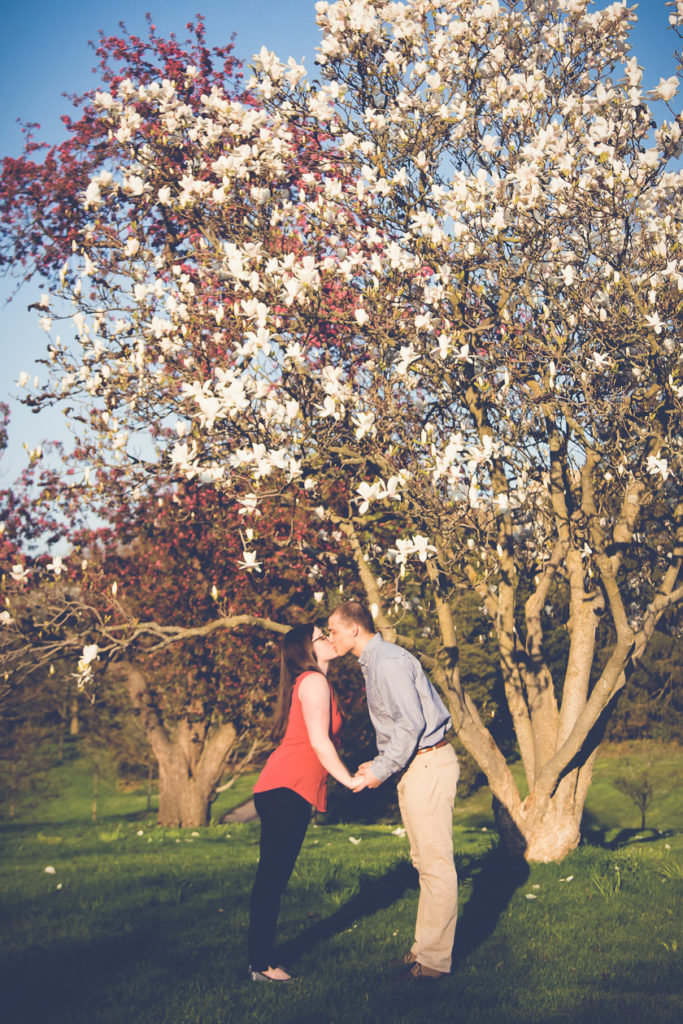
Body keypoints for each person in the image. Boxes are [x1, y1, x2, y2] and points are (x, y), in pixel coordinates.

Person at [328, 600, 460, 982]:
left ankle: (434, 963)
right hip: (416, 764)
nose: (329, 637)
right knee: (425, 863)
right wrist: (382, 761)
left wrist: (381, 769)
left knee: (436, 866)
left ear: (354, 629)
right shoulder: (376, 661)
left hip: (427, 763)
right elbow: (401, 726)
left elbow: (411, 723)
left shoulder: (385, 662)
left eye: (333, 630)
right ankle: (424, 952)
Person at [247, 622, 364, 982]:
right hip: (285, 788)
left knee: (272, 877)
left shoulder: (315, 682)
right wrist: (348, 780)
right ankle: (262, 965)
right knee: (272, 878)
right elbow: (318, 740)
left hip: (285, 789)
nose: (328, 638)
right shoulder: (312, 682)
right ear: (306, 648)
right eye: (320, 636)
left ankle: (260, 961)